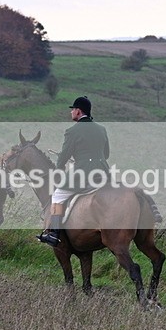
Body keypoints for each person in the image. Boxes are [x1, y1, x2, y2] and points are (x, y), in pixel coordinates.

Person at [37, 96, 110, 246]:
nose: (71, 113)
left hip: (83, 174)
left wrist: (59, 169)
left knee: (57, 195)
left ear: (78, 111)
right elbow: (106, 154)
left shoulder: (72, 131)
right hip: (103, 173)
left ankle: (54, 234)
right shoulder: (101, 129)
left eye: (72, 110)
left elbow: (63, 157)